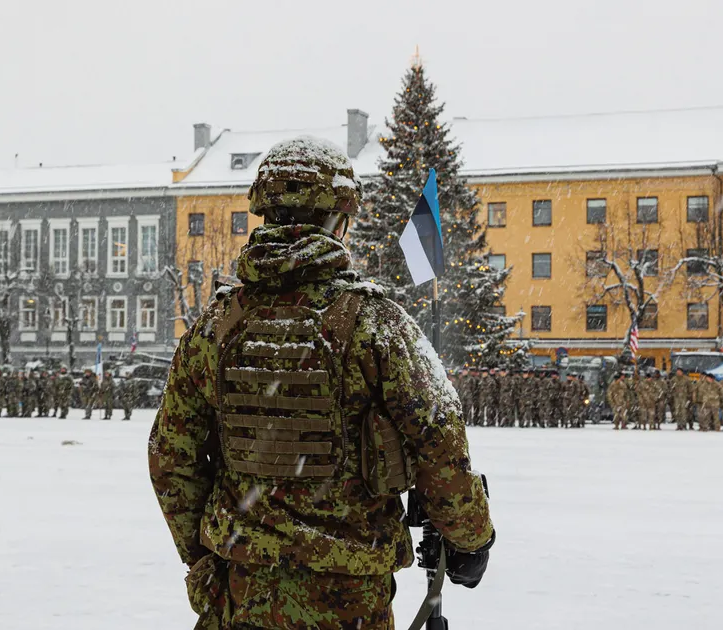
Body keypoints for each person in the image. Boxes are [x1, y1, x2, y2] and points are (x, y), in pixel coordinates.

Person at [149, 138, 494, 629]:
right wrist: (471, 538)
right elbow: (440, 442)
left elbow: (170, 457)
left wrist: (205, 555)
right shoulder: (378, 325)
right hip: (349, 601)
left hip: (240, 596)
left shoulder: (215, 326)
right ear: (341, 218)